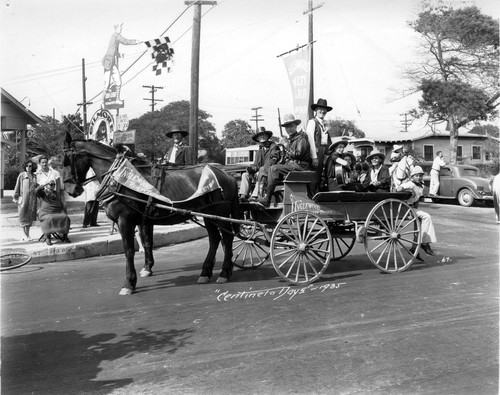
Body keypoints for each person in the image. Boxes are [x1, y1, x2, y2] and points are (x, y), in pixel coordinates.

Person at [258, 114, 311, 207]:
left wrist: (286, 145)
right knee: (266, 169)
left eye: (291, 126)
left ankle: (267, 199)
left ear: (295, 126)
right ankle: (261, 195)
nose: (289, 129)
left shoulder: (302, 138)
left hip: (300, 167)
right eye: (287, 127)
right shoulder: (291, 139)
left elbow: (298, 154)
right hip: (291, 166)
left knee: (273, 169)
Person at [396, 166, 437, 260]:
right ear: (412, 177)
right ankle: (424, 243)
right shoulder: (410, 184)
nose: (418, 178)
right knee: (427, 216)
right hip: (405, 208)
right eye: (416, 176)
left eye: (420, 176)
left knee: (418, 226)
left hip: (412, 208)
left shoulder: (420, 186)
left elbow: (417, 200)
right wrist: (409, 190)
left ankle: (415, 249)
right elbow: (398, 189)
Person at [102, 23, 141, 106]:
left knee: (118, 82)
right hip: (108, 63)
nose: (121, 29)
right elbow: (125, 41)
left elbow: (113, 50)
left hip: (112, 63)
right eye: (120, 28)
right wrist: (135, 41)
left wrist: (120, 55)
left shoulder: (115, 38)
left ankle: (117, 99)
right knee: (107, 85)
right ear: (116, 28)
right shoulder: (115, 36)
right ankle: (103, 103)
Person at [239, 126, 276, 202]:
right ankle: (243, 195)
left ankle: (255, 196)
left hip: (269, 174)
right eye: (259, 135)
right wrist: (251, 169)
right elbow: (256, 165)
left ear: (267, 136)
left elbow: (272, 162)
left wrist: (260, 171)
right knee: (245, 175)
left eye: (263, 135)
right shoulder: (259, 151)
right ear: (258, 138)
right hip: (260, 173)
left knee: (261, 173)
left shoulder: (274, 147)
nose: (262, 136)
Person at [306, 98, 333, 194]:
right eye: (320, 109)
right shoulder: (312, 122)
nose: (322, 111)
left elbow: (327, 143)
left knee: (318, 178)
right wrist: (314, 158)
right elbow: (311, 140)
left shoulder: (324, 124)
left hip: (321, 155)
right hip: (315, 154)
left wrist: (326, 155)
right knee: (313, 178)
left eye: (324, 109)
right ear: (316, 110)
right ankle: (311, 199)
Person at [36, 180, 71, 245]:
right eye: (51, 184)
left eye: (54, 184)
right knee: (49, 218)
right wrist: (43, 185)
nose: (52, 186)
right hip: (45, 213)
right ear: (47, 185)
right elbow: (36, 191)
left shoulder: (56, 193)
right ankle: (48, 237)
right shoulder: (43, 193)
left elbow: (60, 203)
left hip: (56, 212)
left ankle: (65, 236)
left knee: (65, 217)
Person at [13, 159, 38, 241]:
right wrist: (16, 198)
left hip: (32, 200)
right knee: (23, 217)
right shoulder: (22, 175)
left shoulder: (35, 176)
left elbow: (36, 187)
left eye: (30, 166)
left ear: (32, 167)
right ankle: (26, 235)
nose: (28, 167)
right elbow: (17, 187)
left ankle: (28, 234)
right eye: (27, 166)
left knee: (29, 218)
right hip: (24, 200)